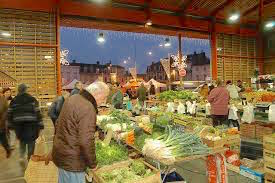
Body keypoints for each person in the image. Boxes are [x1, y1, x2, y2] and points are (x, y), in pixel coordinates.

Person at [51, 81, 109, 183]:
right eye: (104, 97)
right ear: (98, 94)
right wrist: (93, 164)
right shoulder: (87, 107)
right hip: (73, 161)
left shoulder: (74, 98)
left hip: (62, 154)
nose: (104, 101)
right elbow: (85, 141)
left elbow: (58, 123)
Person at [8, 84, 43, 161]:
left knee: (22, 141)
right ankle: (30, 158)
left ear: (18, 90)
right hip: (32, 126)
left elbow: (9, 114)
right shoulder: (32, 99)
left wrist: (10, 126)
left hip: (19, 126)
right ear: (26, 90)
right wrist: (41, 126)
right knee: (31, 142)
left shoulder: (14, 101)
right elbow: (38, 113)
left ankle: (21, 156)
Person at [0, 91, 12, 158]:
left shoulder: (3, 100)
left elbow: (5, 112)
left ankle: (8, 149)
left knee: (3, 140)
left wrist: (2, 122)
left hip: (1, 124)